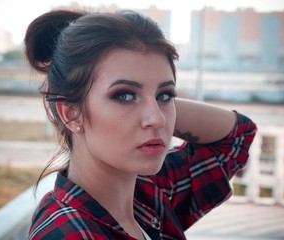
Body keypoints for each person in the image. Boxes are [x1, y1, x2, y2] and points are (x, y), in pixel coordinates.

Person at [24, 9, 257, 240]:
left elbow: (236, 138)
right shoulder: (69, 234)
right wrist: (152, 97)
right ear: (72, 114)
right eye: (124, 95)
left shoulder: (149, 193)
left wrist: (149, 99)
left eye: (165, 95)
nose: (157, 118)